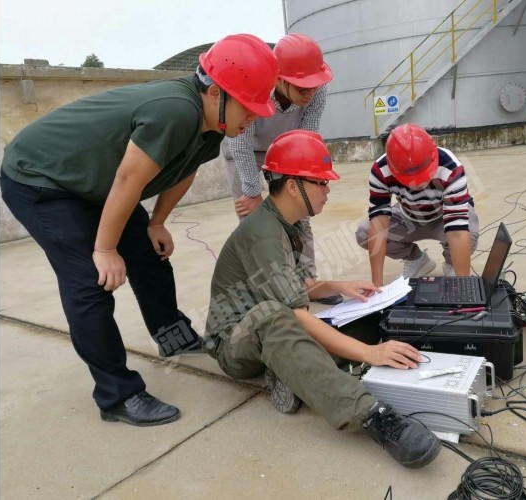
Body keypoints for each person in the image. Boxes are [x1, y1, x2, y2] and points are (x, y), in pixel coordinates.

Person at [0, 34, 278, 427]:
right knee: (90, 280)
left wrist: (157, 222)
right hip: (40, 179)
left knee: (149, 253)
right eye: (249, 108)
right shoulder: (176, 111)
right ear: (217, 93)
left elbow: (184, 170)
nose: (254, 118)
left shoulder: (212, 126)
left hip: (92, 182)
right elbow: (129, 179)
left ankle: (171, 334)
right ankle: (117, 396)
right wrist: (105, 249)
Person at [203, 129, 442, 468]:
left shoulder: (291, 222)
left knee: (362, 315)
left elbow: (296, 286)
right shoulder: (263, 235)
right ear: (292, 185)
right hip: (232, 341)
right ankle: (372, 415)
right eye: (321, 183)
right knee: (281, 317)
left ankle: (290, 373)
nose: (328, 191)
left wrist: (337, 286)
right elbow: (293, 312)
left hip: (269, 321)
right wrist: (369, 353)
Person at [222, 33, 342, 305]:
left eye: (313, 85)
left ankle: (308, 281)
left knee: (301, 212)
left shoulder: (317, 89)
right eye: (302, 88)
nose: (309, 92)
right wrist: (253, 192)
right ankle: (268, 289)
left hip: (287, 149)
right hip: (245, 149)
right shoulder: (257, 86)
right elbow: (239, 144)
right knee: (252, 220)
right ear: (278, 78)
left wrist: (306, 180)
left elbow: (308, 136)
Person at [356, 123, 480, 287]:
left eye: (423, 176)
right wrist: (377, 287)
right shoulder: (381, 170)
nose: (417, 184)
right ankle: (417, 260)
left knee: (467, 231)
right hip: (407, 217)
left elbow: (457, 230)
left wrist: (464, 288)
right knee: (365, 233)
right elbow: (378, 226)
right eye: (409, 180)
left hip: (443, 216)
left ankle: (452, 265)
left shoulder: (450, 166)